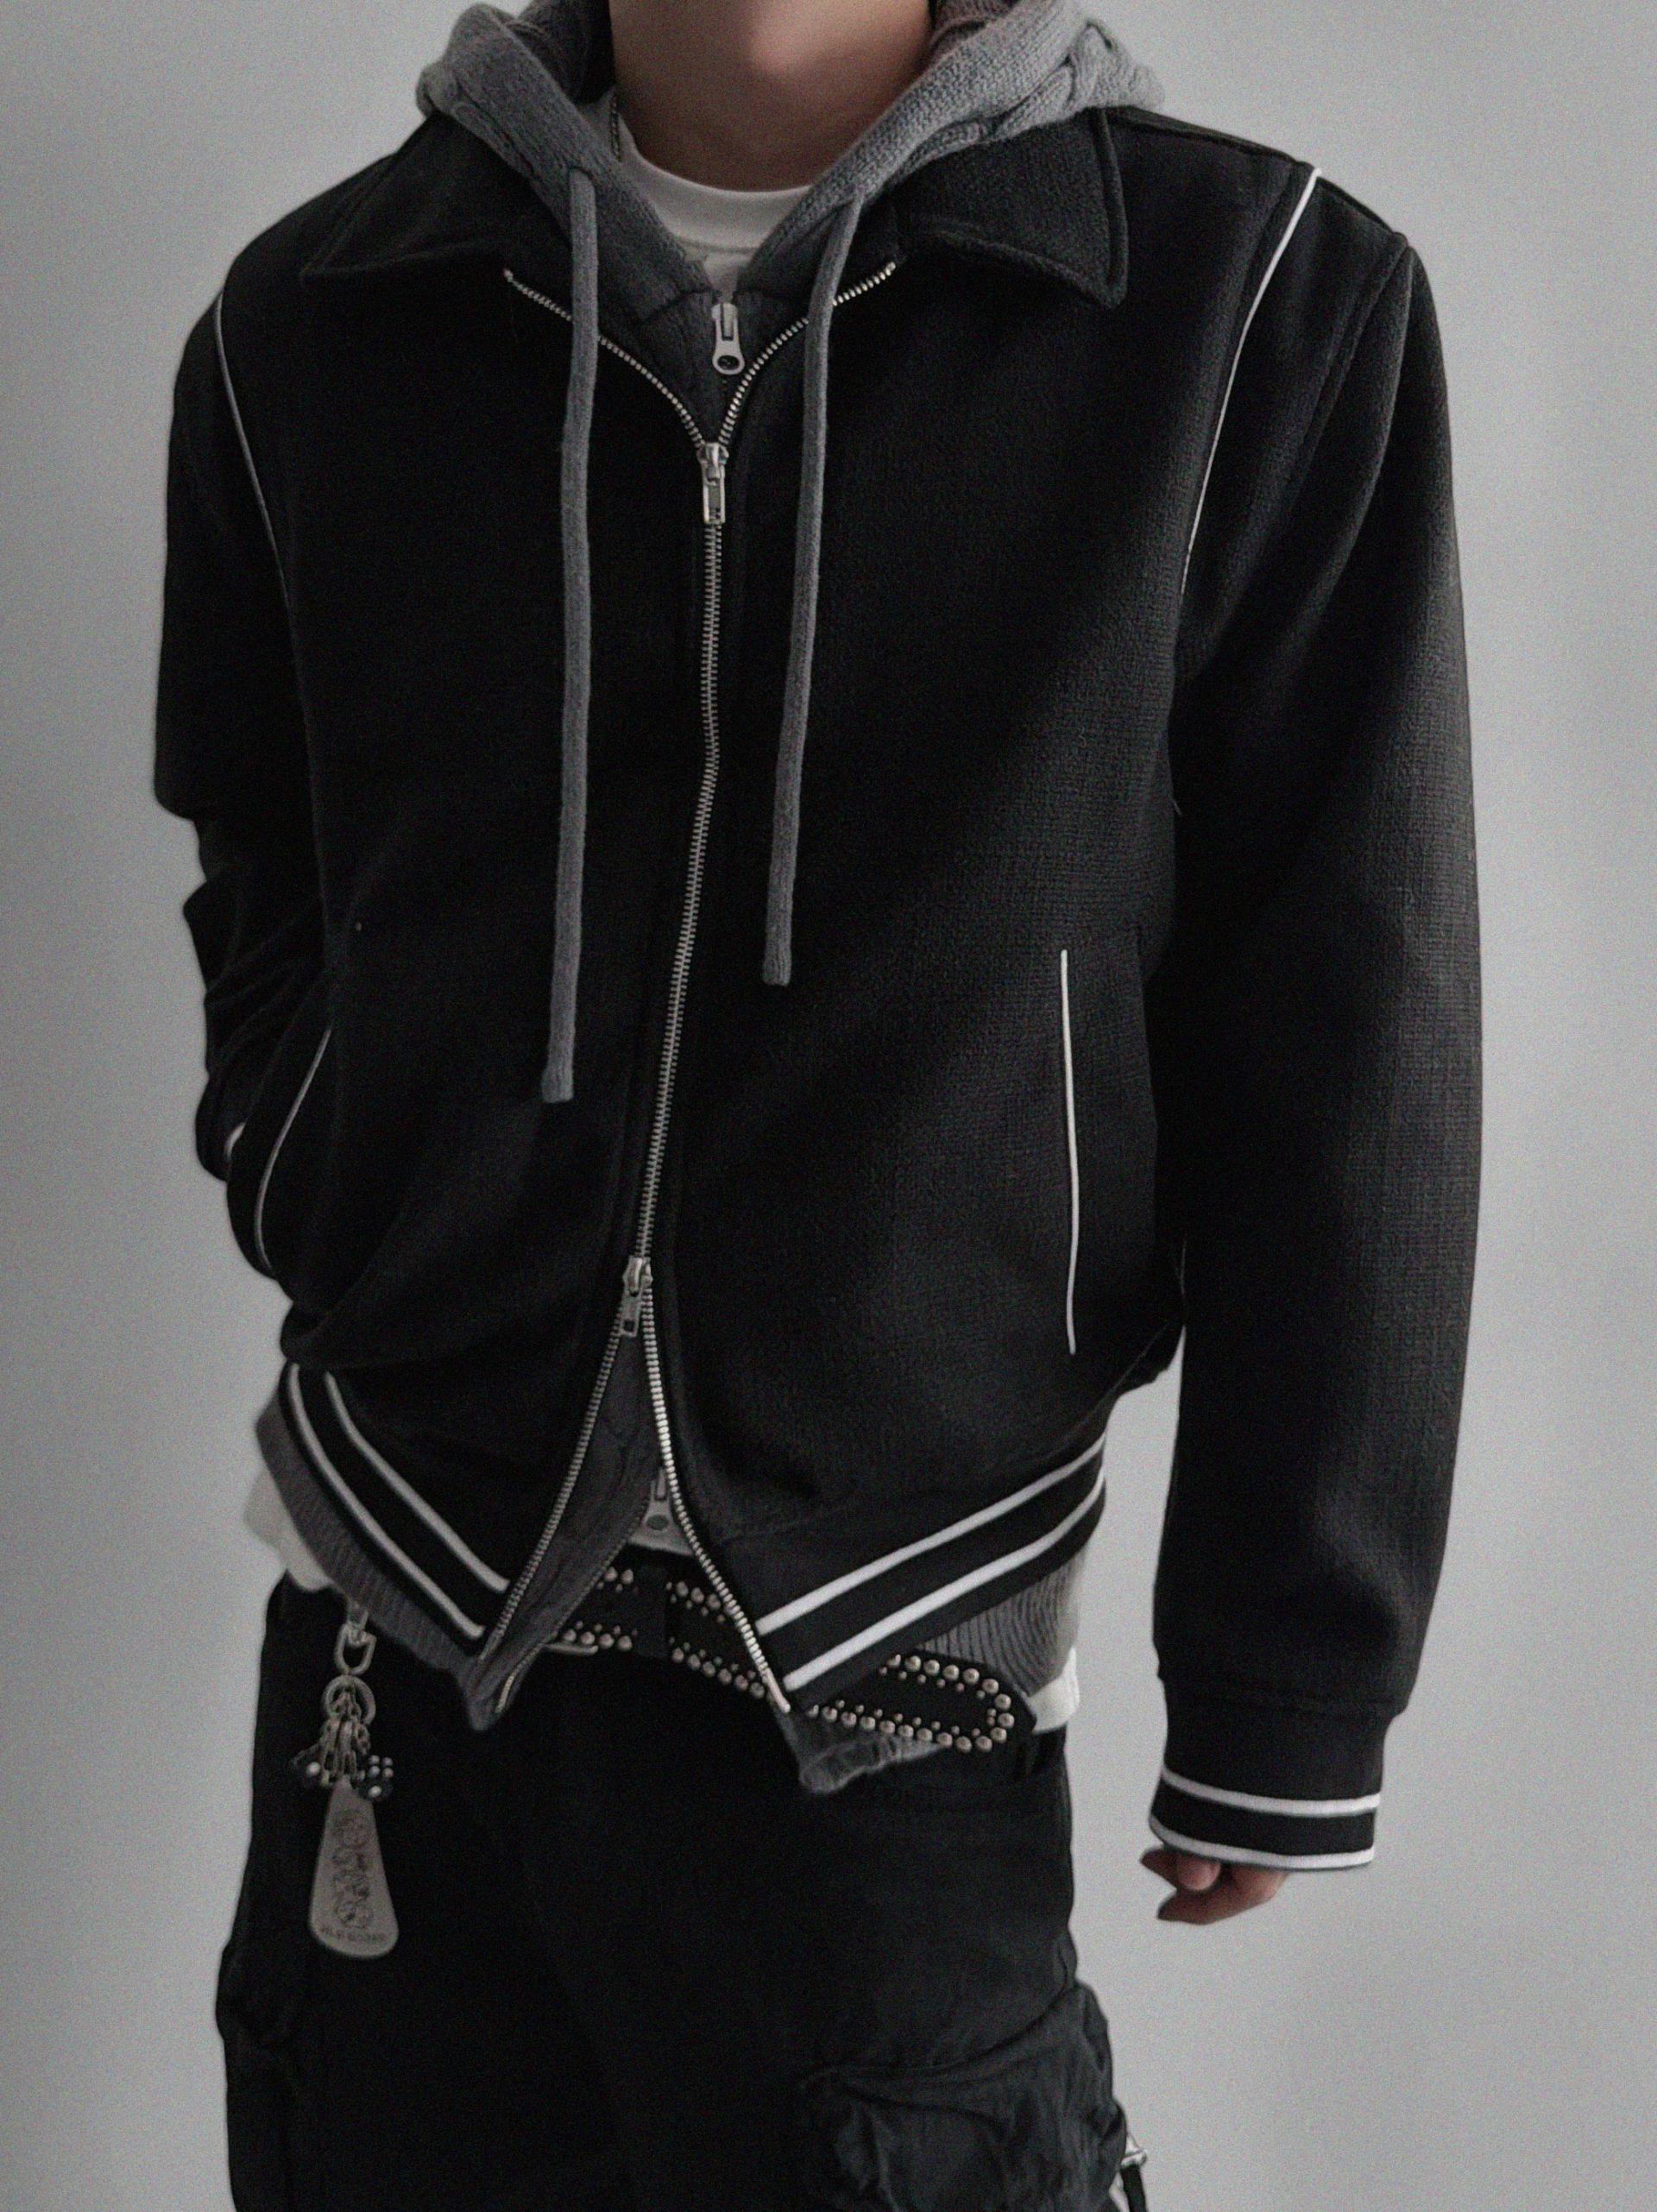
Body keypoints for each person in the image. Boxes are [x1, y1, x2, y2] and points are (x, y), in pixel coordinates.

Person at [154, 0, 1480, 2203]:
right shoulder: (317, 315)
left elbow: (1350, 1023)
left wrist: (1291, 1678)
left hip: (889, 1695)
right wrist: (325, 1163)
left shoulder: (1249, 307)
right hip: (394, 1674)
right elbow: (263, 857)